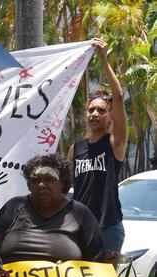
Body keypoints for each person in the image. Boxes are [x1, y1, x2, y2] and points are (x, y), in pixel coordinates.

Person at [67, 38, 128, 264]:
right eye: (91, 109)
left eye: (101, 110)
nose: (94, 113)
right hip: (78, 227)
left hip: (107, 229)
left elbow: (119, 97)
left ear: (109, 115)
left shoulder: (115, 144)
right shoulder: (76, 148)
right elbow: (63, 186)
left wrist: (103, 59)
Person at [0, 154, 105, 264]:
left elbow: (97, 262)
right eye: (35, 180)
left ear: (63, 183)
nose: (41, 185)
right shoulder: (14, 207)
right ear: (29, 185)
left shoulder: (80, 213)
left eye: (49, 179)